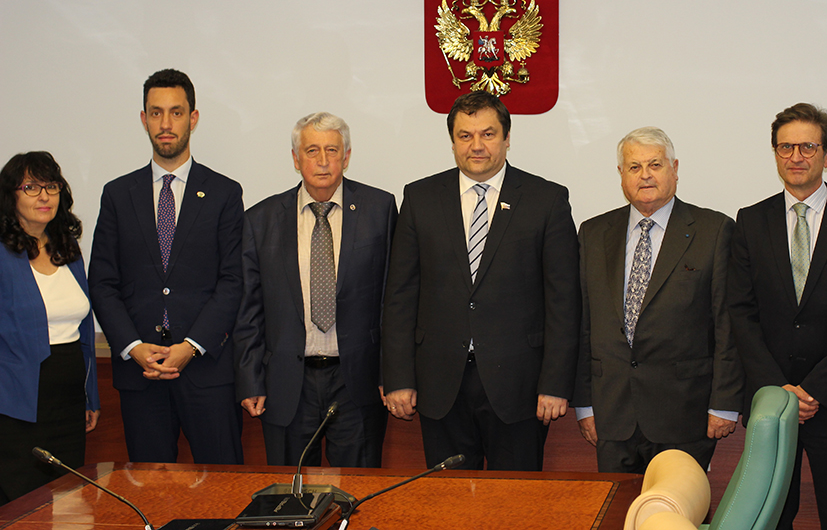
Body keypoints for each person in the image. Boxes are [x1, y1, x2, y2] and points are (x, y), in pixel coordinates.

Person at [381, 91, 581, 471]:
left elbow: (564, 301)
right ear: (453, 141)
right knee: (449, 501)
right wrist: (398, 377)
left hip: (519, 388)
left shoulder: (546, 200)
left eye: (488, 134)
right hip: (440, 385)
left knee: (515, 500)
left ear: (507, 139)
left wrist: (555, 383)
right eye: (465, 135)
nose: (477, 145)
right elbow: (400, 297)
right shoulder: (420, 198)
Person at [727, 103, 827, 530]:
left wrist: (815, 389)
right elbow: (740, 312)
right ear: (775, 153)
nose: (795, 156)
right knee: (772, 519)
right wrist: (777, 390)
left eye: (807, 147)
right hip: (770, 406)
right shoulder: (750, 221)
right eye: (785, 147)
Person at [89, 68, 244, 464]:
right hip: (141, 374)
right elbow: (103, 282)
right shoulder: (117, 194)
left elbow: (232, 281)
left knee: (222, 489)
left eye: (176, 112)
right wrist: (133, 347)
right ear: (144, 119)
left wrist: (190, 347)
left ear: (193, 118)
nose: (166, 123)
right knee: (149, 490)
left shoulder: (225, 193)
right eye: (156, 113)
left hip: (207, 372)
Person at [572, 127, 742, 473]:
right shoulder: (593, 233)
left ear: (674, 169)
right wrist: (584, 404)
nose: (645, 175)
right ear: (621, 174)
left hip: (684, 413)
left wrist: (724, 403)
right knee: (617, 507)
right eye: (634, 167)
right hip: (612, 414)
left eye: (655, 165)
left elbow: (728, 324)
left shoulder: (714, 230)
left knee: (676, 506)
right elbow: (583, 324)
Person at [234, 112, 396, 467]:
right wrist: (250, 380)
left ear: (346, 157)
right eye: (311, 151)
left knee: (357, 490)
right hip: (287, 382)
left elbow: (392, 299)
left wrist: (392, 374)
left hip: (357, 381)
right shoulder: (260, 220)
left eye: (332, 150)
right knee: (290, 490)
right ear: (295, 159)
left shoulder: (379, 210)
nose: (323, 161)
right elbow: (249, 309)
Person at [0, 152, 100, 504]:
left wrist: (90, 396)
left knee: (70, 502)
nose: (44, 196)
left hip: (69, 401)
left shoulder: (67, 249)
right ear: (10, 195)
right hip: (17, 405)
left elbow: (84, 331)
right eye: (31, 187)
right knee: (23, 504)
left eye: (51, 186)